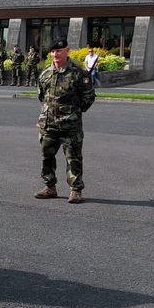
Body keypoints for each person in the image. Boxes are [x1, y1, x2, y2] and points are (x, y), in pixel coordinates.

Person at [34, 38, 96, 204]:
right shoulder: (46, 74)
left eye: (59, 51)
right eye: (53, 51)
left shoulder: (77, 73)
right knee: (47, 157)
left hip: (70, 126)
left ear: (67, 51)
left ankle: (75, 190)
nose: (55, 54)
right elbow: (42, 96)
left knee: (73, 158)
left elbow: (88, 97)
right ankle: (49, 187)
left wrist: (73, 113)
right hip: (48, 124)